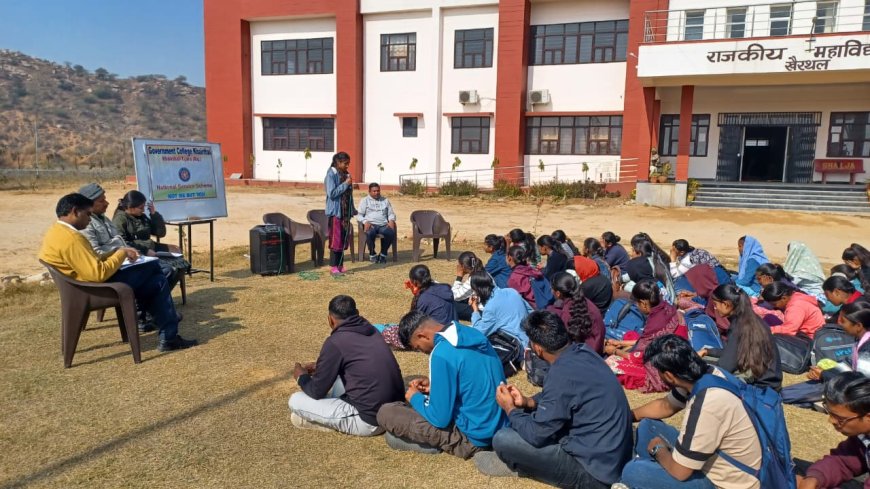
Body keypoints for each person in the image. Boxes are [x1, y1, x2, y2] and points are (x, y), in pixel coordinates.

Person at [473, 311, 633, 488]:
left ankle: (523, 465)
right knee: (528, 426)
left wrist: (511, 409)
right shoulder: (584, 352)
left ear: (538, 348)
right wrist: (529, 403)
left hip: (595, 473)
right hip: (613, 455)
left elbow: (536, 435)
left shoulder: (560, 375)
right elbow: (563, 397)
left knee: (503, 439)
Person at [38, 193, 196, 352]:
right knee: (155, 270)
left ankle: (160, 328)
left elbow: (92, 259)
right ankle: (164, 331)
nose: (89, 218)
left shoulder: (57, 231)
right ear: (74, 211)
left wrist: (118, 252)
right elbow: (97, 274)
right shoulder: (71, 238)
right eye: (87, 214)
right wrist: (121, 254)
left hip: (82, 285)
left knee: (157, 280)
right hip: (94, 289)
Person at [620, 334, 763, 489]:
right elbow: (665, 406)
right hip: (718, 458)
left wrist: (658, 450)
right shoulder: (706, 374)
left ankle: (648, 471)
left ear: (668, 375)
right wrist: (628, 416)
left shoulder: (707, 402)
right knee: (648, 425)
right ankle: (653, 471)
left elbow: (680, 472)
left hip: (725, 481)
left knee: (633, 472)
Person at [376, 311, 507, 459]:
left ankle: (439, 444)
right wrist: (435, 387)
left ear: (422, 335)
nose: (422, 351)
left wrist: (415, 398)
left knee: (386, 413)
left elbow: (440, 418)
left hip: (474, 436)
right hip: (500, 424)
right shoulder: (471, 334)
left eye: (418, 347)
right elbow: (473, 381)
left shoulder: (441, 353)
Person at [289, 295, 404, 436]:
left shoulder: (335, 342)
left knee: (295, 400)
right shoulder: (372, 330)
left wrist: (302, 377)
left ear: (330, 319)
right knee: (338, 380)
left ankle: (329, 423)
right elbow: (357, 364)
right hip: (395, 408)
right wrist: (323, 366)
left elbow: (316, 391)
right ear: (357, 312)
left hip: (370, 421)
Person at [79, 183, 180, 296]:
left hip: (131, 257)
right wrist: (133, 252)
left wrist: (154, 215)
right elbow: (98, 252)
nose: (107, 203)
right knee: (162, 269)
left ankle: (153, 306)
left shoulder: (104, 219)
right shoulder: (95, 222)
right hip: (119, 265)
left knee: (177, 262)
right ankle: (145, 306)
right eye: (102, 201)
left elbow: (160, 233)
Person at [782, 301, 870, 408]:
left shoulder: (867, 348)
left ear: (858, 326)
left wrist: (825, 375)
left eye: (843, 321)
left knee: (792, 394)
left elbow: (861, 381)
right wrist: (825, 372)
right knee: (807, 389)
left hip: (860, 391)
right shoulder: (859, 340)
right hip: (851, 383)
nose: (839, 324)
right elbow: (849, 364)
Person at [604, 280, 687, 392]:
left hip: (668, 370)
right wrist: (620, 343)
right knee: (630, 335)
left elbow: (640, 357)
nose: (637, 307)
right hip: (680, 357)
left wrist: (614, 351)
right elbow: (650, 340)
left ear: (643, 303)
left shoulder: (656, 322)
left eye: (637, 304)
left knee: (610, 362)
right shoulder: (668, 309)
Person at [797, 372, 870, 489]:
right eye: (829, 412)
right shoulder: (863, 437)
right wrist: (815, 477)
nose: (831, 421)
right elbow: (844, 461)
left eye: (840, 418)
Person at [703, 284, 782, 390]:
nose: (715, 308)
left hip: (761, 385)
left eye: (716, 304)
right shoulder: (749, 318)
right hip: (770, 379)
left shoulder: (739, 326)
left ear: (726, 304)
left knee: (702, 370)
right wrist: (708, 351)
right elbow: (733, 351)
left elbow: (726, 366)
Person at [112, 190, 189, 284]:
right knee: (169, 268)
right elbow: (122, 242)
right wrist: (145, 251)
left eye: (144, 207)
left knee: (177, 253)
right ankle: (159, 290)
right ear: (130, 207)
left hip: (150, 247)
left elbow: (160, 233)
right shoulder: (120, 219)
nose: (143, 210)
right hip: (138, 251)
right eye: (140, 208)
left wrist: (154, 215)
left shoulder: (141, 216)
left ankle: (164, 290)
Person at [469, 271, 531, 364]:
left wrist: (475, 310)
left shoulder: (491, 307)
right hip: (529, 337)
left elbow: (478, 332)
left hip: (517, 345)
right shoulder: (511, 291)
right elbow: (530, 310)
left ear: (478, 290)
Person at [547, 272, 605, 354]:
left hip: (588, 356)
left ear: (558, 293)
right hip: (596, 348)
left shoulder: (568, 312)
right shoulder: (584, 301)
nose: (551, 291)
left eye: (551, 288)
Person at [324, 152, 356, 276]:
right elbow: (332, 193)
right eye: (345, 163)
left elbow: (349, 195)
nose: (347, 166)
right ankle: (333, 267)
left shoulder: (345, 174)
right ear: (338, 162)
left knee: (343, 240)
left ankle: (341, 265)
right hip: (336, 213)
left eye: (348, 163)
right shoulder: (331, 174)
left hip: (345, 213)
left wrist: (352, 209)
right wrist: (345, 184)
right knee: (335, 241)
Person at [761, 282, 826, 339]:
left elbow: (789, 330)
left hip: (810, 339)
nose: (774, 307)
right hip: (811, 334)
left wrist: (767, 330)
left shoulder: (796, 307)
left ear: (784, 298)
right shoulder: (796, 296)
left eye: (774, 304)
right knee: (769, 318)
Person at [356, 182, 396, 264]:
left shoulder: (385, 200)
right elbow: (359, 215)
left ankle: (383, 254)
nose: (376, 193)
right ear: (369, 191)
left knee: (390, 233)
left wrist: (391, 220)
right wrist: (365, 222)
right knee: (369, 233)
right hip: (371, 225)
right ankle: (372, 253)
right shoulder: (365, 201)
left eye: (378, 191)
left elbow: (391, 213)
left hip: (383, 225)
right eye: (374, 191)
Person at [507, 245, 545, 309]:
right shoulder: (532, 270)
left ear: (509, 258)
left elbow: (515, 301)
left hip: (532, 309)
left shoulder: (514, 277)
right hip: (543, 303)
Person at [452, 251, 483, 322]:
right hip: (486, 307)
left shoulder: (473, 279)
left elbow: (454, 296)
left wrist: (459, 276)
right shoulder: (483, 272)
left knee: (450, 305)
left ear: (462, 266)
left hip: (482, 312)